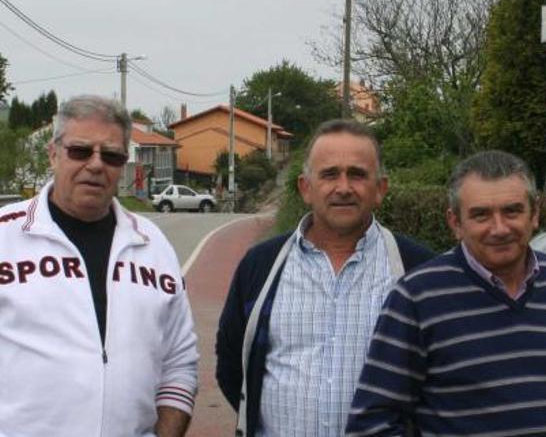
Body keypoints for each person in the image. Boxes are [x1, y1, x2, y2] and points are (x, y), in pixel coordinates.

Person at [346, 150, 546, 436]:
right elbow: (372, 423)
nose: (499, 228)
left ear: (535, 214)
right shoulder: (417, 297)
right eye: (481, 215)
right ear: (455, 223)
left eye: (512, 211)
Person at [215, 119, 434, 437]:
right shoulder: (260, 266)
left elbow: (439, 378)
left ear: (380, 189)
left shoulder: (418, 270)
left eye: (357, 174)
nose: (343, 187)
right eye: (329, 174)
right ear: (306, 188)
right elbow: (233, 364)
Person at [0, 95, 199, 437]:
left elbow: (179, 362)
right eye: (80, 151)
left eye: (111, 156)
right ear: (53, 154)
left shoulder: (153, 246)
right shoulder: (6, 235)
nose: (96, 165)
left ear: (122, 164)